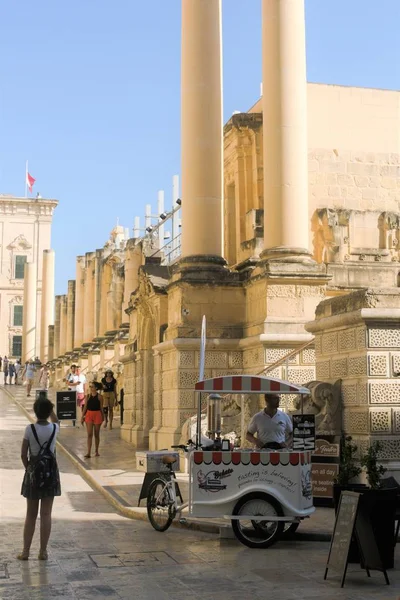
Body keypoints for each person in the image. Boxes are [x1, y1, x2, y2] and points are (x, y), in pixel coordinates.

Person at [18, 398, 60, 561]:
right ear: (48, 412)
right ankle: (43, 551)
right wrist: (52, 411)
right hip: (50, 473)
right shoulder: (54, 428)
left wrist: (29, 467)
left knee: (31, 514)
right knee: (46, 514)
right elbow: (56, 420)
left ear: (35, 412)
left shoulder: (29, 429)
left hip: (33, 473)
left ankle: (26, 551)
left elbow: (23, 453)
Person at [81, 383, 104, 458]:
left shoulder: (100, 397)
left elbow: (101, 407)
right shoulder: (87, 396)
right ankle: (88, 452)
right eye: (90, 386)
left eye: (92, 387)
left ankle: (96, 451)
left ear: (96, 388)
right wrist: (82, 416)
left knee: (96, 434)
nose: (90, 388)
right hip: (89, 414)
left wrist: (103, 417)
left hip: (97, 414)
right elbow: (85, 407)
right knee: (89, 434)